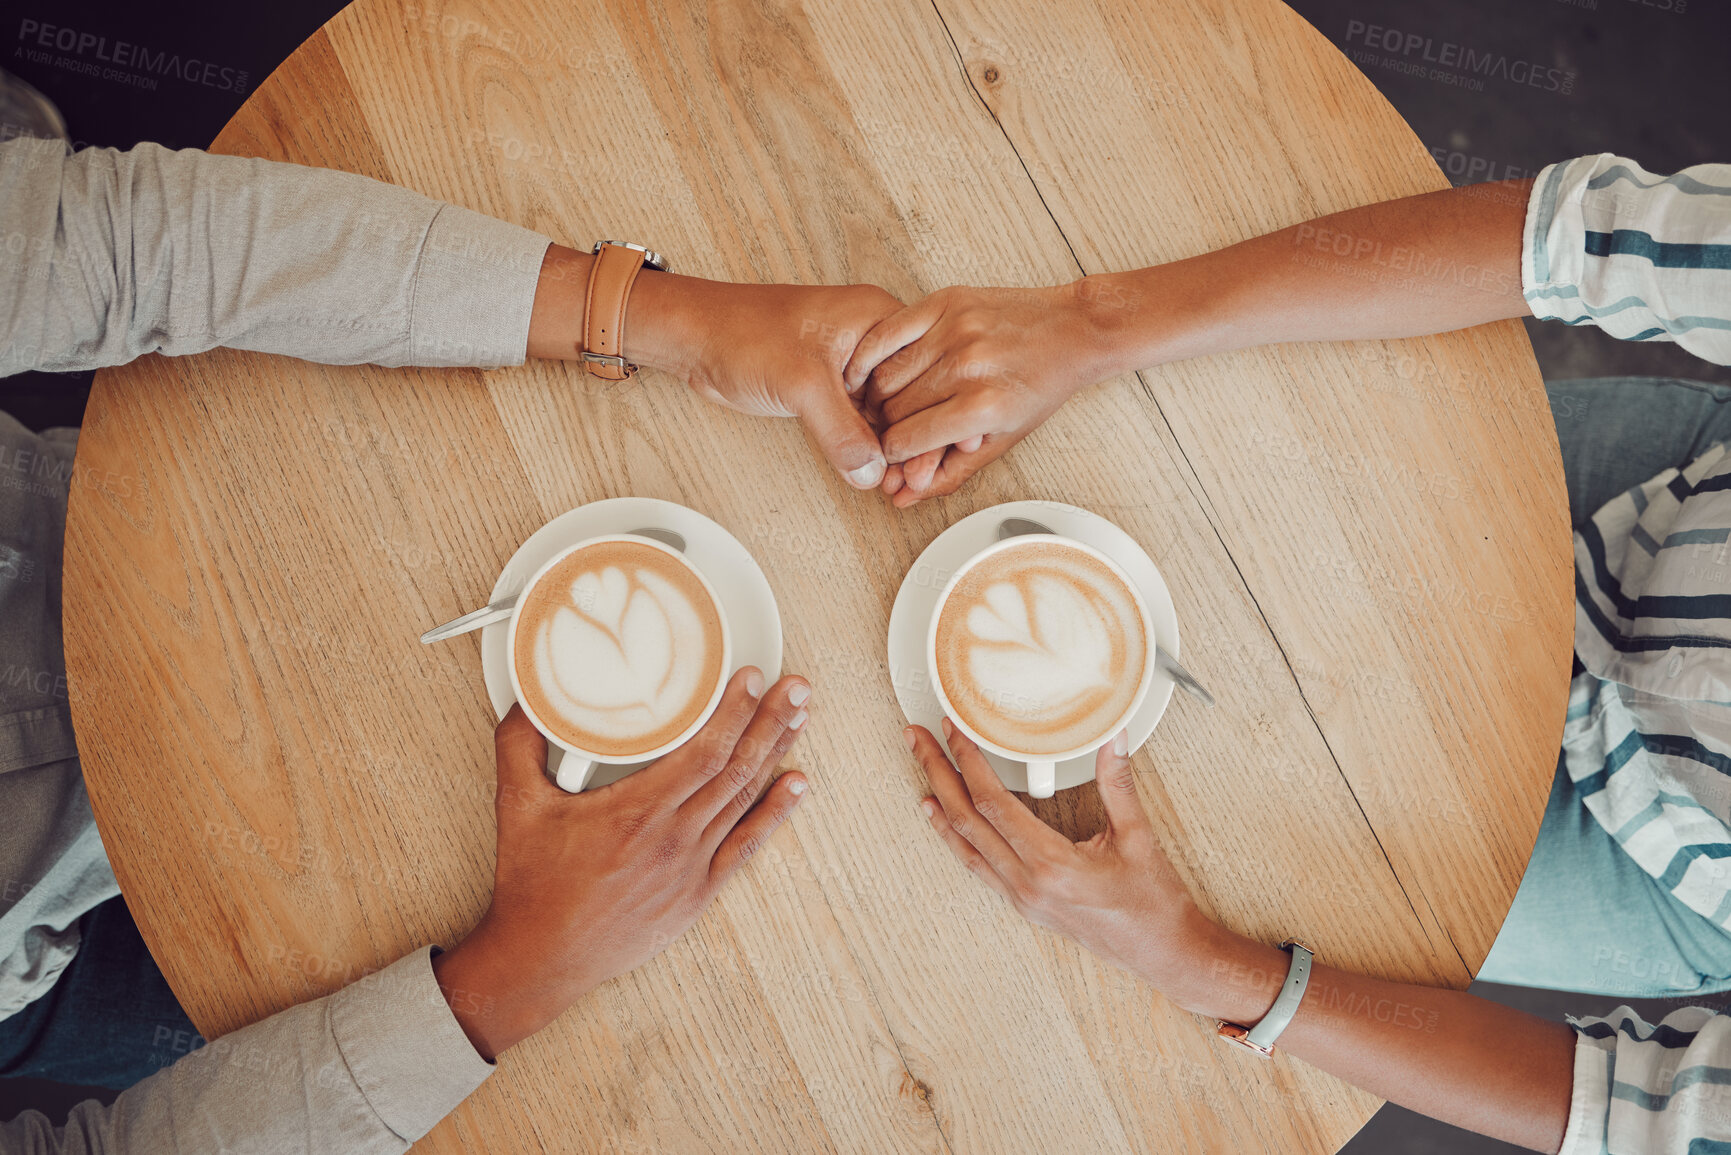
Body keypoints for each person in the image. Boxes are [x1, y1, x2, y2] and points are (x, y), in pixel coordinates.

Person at [0, 105, 908, 1148]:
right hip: (50, 956)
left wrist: (662, 317)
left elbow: (132, 249)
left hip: (112, 527)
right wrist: (517, 976)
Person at [869, 153, 1731, 1152]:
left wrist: (1211, 971)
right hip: (1654, 506)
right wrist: (1094, 325)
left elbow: (1638, 1111)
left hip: (1648, 857)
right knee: (1188, 459)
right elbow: (1579, 240)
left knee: (1188, 866)